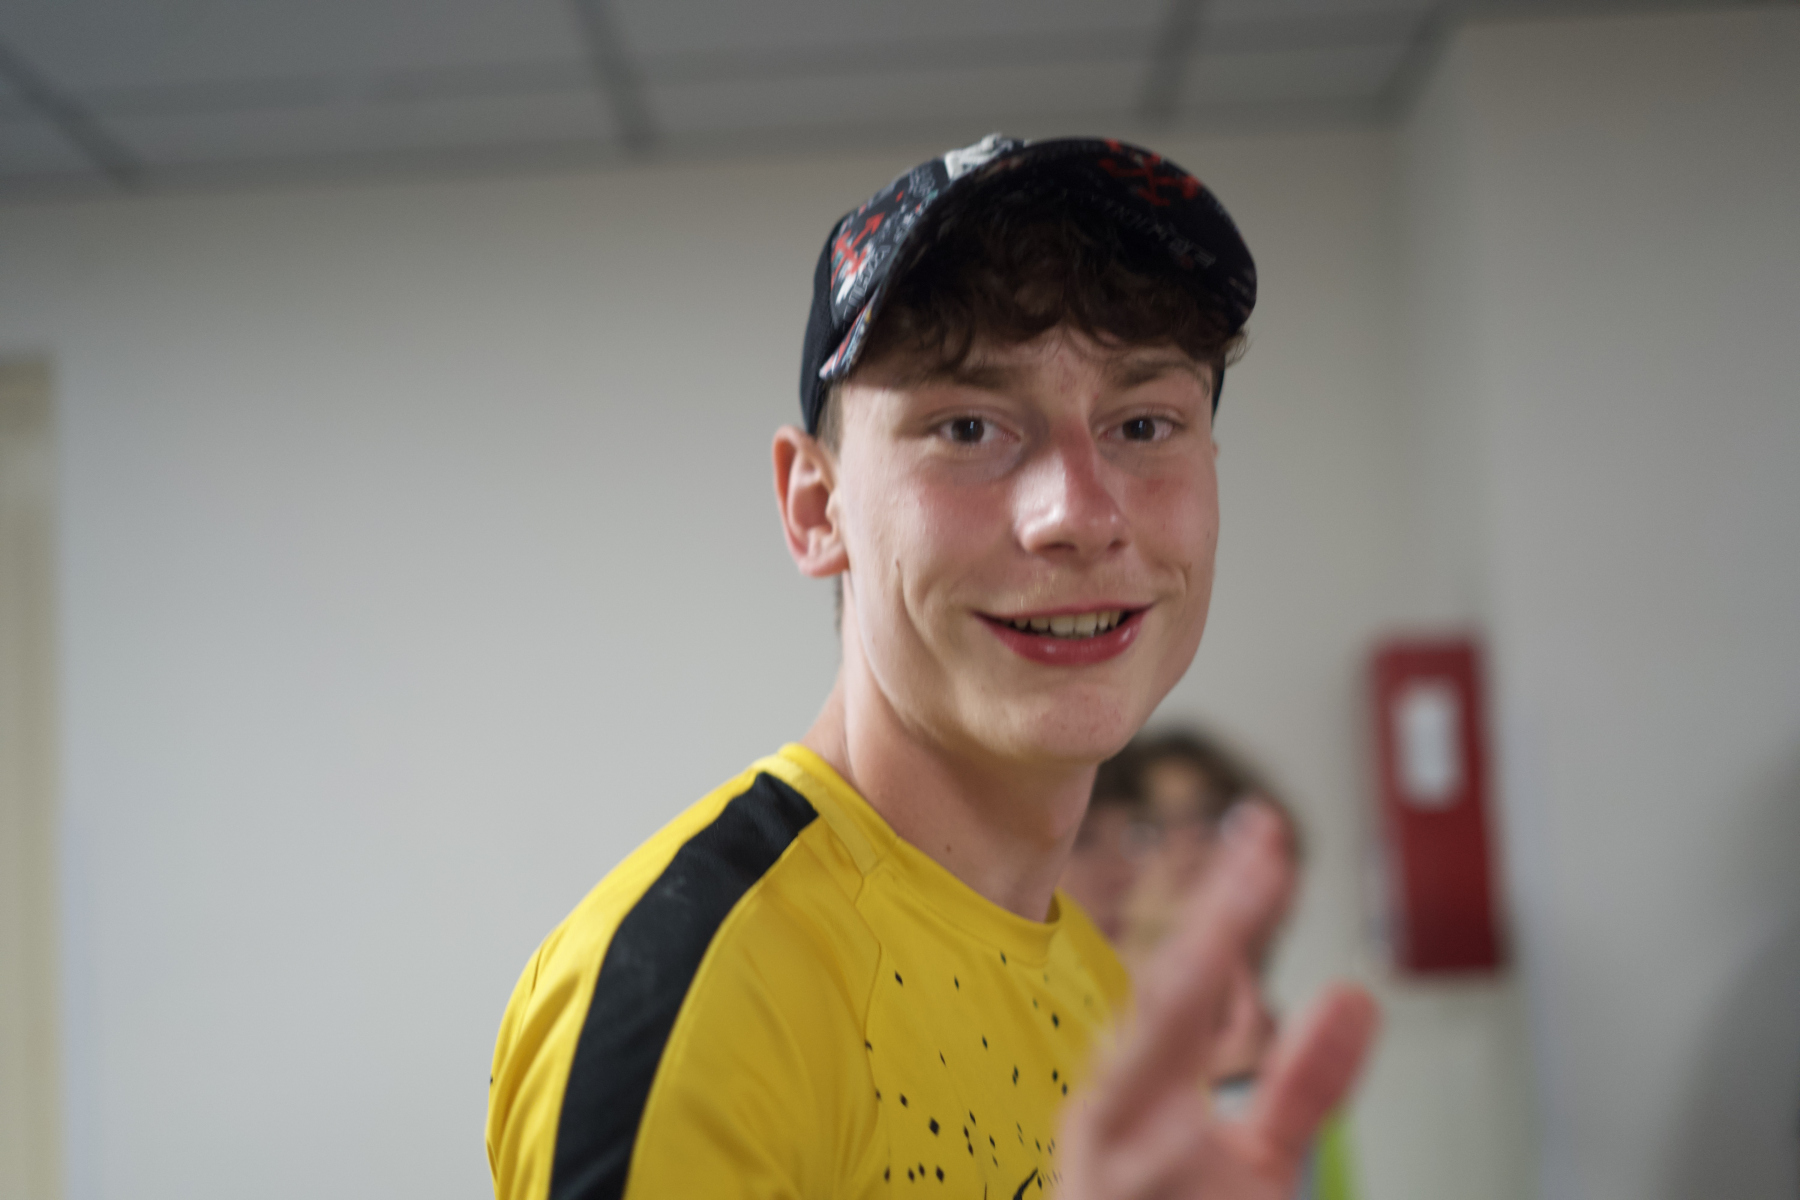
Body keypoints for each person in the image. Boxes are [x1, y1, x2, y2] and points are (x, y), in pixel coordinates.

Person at [485, 133, 1378, 1200]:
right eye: (967, 427)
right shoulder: (692, 990)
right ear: (816, 508)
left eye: (1144, 424)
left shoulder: (1109, 1013)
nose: (1078, 513)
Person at [1063, 730, 1363, 1200]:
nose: (1188, 849)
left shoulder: (1293, 1062)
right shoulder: (1066, 1044)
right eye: (1151, 827)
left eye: (1211, 821)